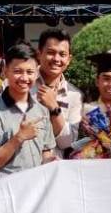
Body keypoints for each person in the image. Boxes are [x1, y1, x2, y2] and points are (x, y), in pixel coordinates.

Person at [0, 43, 57, 178]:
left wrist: (51, 160)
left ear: (37, 73)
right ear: (5, 71)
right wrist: (18, 138)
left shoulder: (42, 109)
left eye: (30, 72)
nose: (24, 78)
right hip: (6, 187)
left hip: (37, 185)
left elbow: (46, 151)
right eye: (18, 71)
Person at [35, 29, 84, 158]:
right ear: (39, 54)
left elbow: (67, 143)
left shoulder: (75, 95)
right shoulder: (21, 83)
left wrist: (54, 108)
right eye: (50, 53)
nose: (56, 59)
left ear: (69, 59)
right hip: (21, 165)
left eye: (62, 54)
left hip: (54, 166)